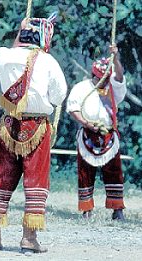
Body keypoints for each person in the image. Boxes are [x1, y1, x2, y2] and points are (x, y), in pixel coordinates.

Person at [0, 13, 67, 253]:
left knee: (1, 176)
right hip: (37, 127)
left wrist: (20, 34)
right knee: (35, 180)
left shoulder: (4, 55)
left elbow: (0, 64)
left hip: (9, 125)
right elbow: (59, 96)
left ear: (20, 36)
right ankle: (29, 239)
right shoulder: (48, 61)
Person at [66, 44, 127, 220]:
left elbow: (120, 76)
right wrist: (86, 123)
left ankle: (117, 209)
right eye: (101, 78)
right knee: (85, 172)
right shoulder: (81, 88)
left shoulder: (112, 88)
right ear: (94, 75)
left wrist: (115, 57)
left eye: (106, 78)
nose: (103, 82)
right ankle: (86, 209)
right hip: (88, 134)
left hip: (108, 135)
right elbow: (73, 109)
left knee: (114, 171)